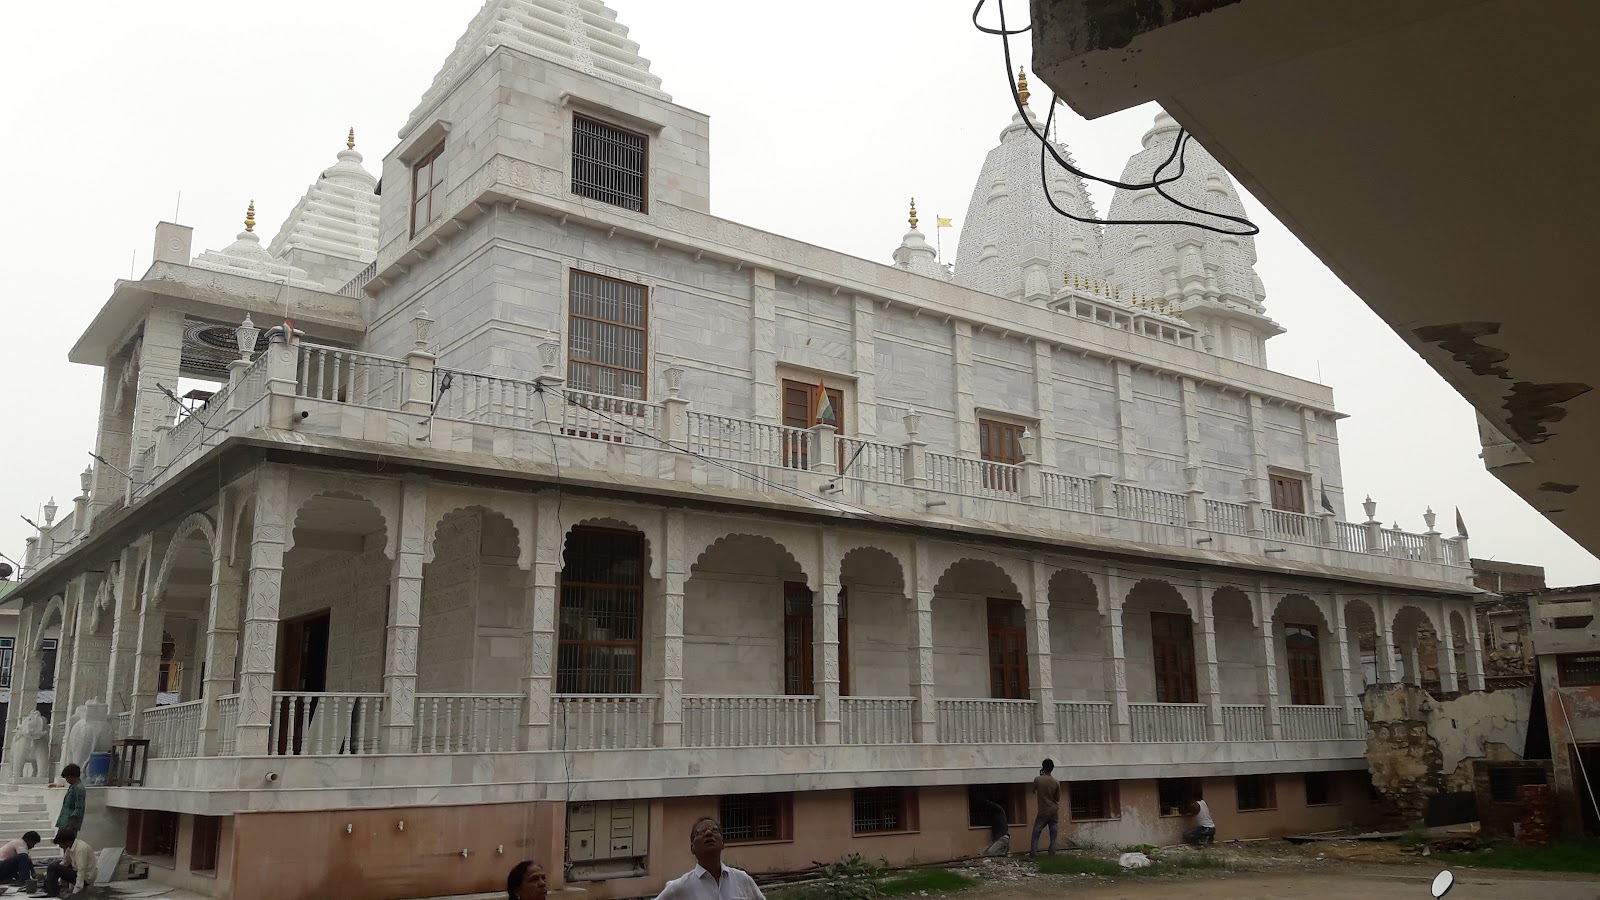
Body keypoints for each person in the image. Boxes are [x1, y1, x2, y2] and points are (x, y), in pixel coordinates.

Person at [654, 817, 766, 900]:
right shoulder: (678, 888)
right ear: (692, 848)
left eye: (714, 830)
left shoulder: (742, 879)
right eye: (701, 832)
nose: (708, 833)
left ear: (722, 843)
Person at [43, 828, 96, 898]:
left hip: (86, 879)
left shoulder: (80, 849)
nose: (60, 846)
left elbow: (81, 870)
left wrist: (76, 891)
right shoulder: (70, 848)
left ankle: (53, 893)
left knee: (54, 867)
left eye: (60, 843)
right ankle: (50, 891)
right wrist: (46, 874)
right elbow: (65, 862)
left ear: (67, 841)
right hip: (78, 874)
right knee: (54, 866)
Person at [1028, 758, 1060, 858]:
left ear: (1042, 767)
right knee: (1053, 834)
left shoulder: (1038, 779)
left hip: (1043, 810)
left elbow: (1033, 790)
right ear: (1052, 768)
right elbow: (1057, 798)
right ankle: (1052, 853)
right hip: (1054, 810)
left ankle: (1033, 853)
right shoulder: (1056, 782)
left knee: (1036, 832)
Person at [56, 765, 85, 832]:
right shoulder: (72, 787)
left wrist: (71, 823)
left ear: (70, 776)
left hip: (69, 824)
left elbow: (79, 807)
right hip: (64, 822)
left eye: (66, 778)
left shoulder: (79, 788)